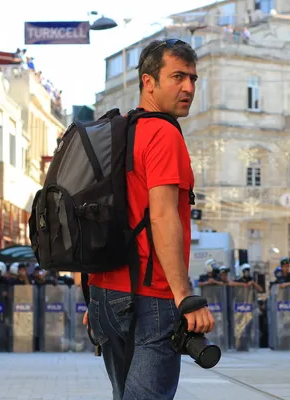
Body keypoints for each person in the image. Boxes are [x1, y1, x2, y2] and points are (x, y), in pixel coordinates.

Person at [84, 39, 215, 400]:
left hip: (105, 293)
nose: (188, 87)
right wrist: (184, 296)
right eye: (177, 77)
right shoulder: (163, 133)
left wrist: (97, 296)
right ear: (149, 82)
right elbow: (162, 216)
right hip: (149, 295)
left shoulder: (119, 130)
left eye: (192, 78)